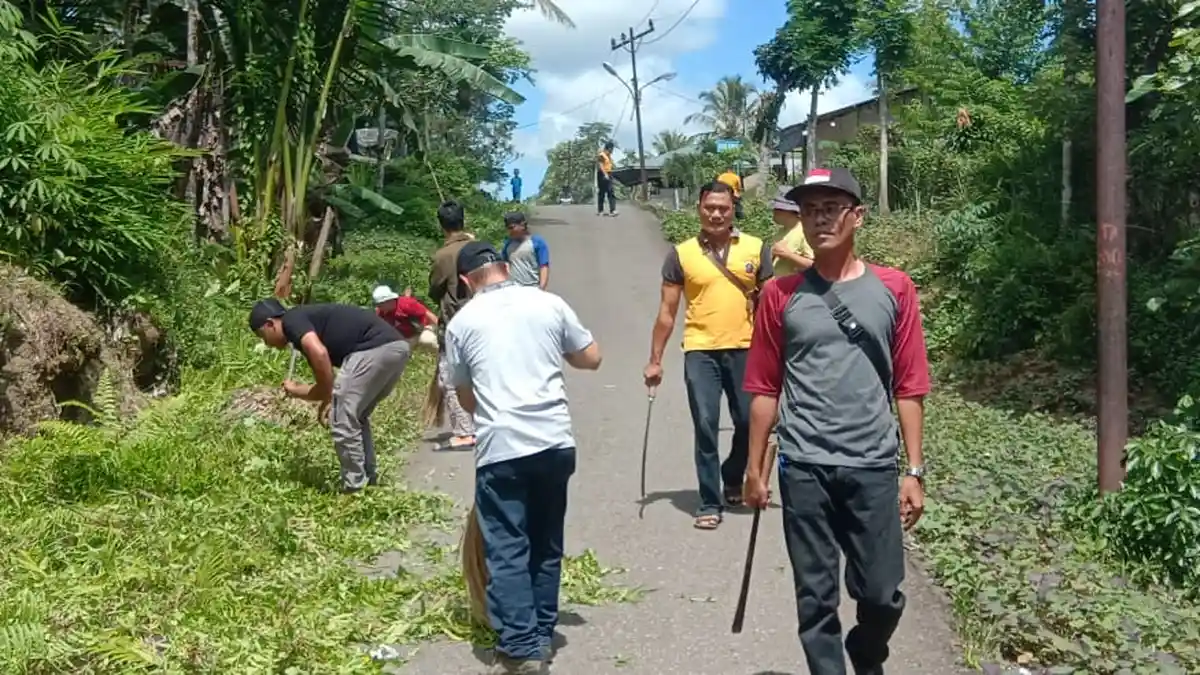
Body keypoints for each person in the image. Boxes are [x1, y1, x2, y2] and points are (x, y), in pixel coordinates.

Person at [742, 167, 931, 675]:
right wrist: (755, 468)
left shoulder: (895, 289)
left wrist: (913, 470)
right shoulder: (780, 296)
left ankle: (866, 654)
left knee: (882, 594)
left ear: (857, 216)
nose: (819, 219)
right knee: (816, 596)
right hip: (804, 465)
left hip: (872, 463)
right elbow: (763, 386)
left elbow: (909, 385)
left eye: (831, 208)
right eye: (809, 211)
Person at [444, 241, 602, 675]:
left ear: (465, 281)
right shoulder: (547, 304)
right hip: (555, 443)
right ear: (504, 268)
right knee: (546, 541)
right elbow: (592, 357)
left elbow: (466, 399)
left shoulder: (461, 323)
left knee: (508, 548)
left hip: (503, 449)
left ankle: (520, 647)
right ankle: (542, 635)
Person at [642, 180, 773, 530]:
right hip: (700, 350)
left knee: (749, 420)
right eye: (709, 207)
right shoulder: (681, 254)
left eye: (723, 208)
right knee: (705, 424)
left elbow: (770, 304)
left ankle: (733, 473)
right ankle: (708, 500)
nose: (716, 213)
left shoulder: (757, 248)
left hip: (747, 348)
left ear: (733, 210)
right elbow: (667, 312)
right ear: (699, 208)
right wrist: (655, 360)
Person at [248, 298, 411, 493]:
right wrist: (300, 391)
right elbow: (325, 386)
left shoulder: (292, 320)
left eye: (262, 335)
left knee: (341, 418)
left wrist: (328, 400)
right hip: (396, 348)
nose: (265, 343)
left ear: (270, 324)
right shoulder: (307, 322)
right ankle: (368, 482)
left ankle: (354, 488)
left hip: (373, 349)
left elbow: (320, 354)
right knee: (355, 417)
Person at [428, 200, 476, 450]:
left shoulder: (443, 255)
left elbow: (435, 290)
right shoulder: (479, 247)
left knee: (450, 377)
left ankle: (465, 431)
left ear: (441, 225)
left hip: (456, 324)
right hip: (485, 320)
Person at [372, 284, 437, 350]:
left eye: (380, 304)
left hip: (425, 327)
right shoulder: (380, 313)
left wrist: (442, 328)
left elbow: (428, 314)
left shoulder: (406, 304)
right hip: (408, 337)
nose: (378, 306)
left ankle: (444, 353)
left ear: (388, 301)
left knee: (427, 340)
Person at [770, 186, 815, 276]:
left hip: (794, 288)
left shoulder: (805, 232)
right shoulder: (782, 231)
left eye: (778, 209)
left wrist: (788, 255)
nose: (773, 211)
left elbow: (814, 266)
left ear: (789, 211)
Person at [500, 212, 550, 289]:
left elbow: (544, 266)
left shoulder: (537, 242)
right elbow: (504, 264)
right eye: (508, 228)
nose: (510, 231)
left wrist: (542, 288)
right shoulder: (507, 244)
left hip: (533, 288)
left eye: (512, 227)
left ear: (522, 225)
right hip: (513, 289)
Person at [596, 140, 617, 217]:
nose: (612, 151)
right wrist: (605, 174)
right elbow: (600, 165)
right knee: (602, 193)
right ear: (609, 148)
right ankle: (600, 210)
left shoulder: (609, 156)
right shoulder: (602, 155)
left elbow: (609, 166)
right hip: (602, 174)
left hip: (609, 174)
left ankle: (612, 210)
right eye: (612, 149)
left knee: (611, 192)